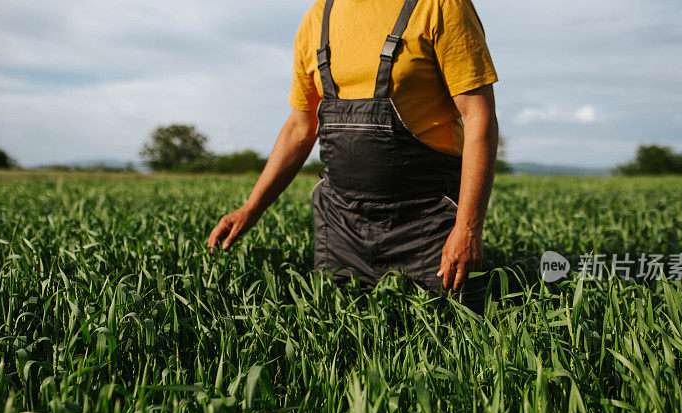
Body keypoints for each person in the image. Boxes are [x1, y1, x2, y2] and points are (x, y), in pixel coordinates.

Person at [208, 0, 499, 314]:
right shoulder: (319, 17)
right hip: (342, 224)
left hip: (428, 220)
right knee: (342, 344)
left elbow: (479, 118)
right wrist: (252, 207)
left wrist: (468, 229)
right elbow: (300, 127)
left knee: (455, 337)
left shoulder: (440, 5)